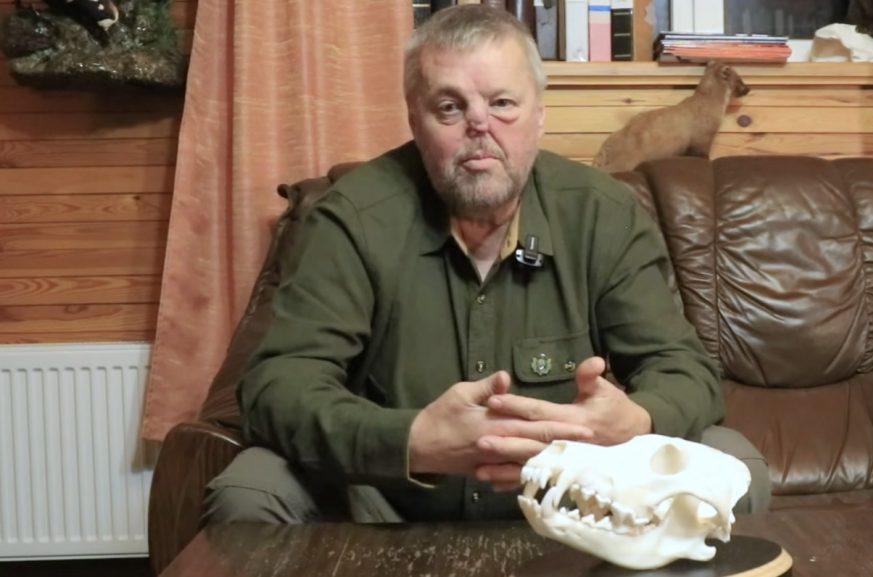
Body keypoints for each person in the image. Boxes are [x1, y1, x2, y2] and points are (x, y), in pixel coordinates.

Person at [202, 5, 770, 526]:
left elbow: (684, 370)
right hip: (386, 505)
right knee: (251, 490)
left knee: (733, 465)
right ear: (415, 119)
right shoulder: (352, 218)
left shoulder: (603, 214)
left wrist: (635, 421)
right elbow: (277, 387)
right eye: (450, 107)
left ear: (539, 115)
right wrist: (412, 440)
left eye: (502, 103)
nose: (479, 125)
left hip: (575, 505)